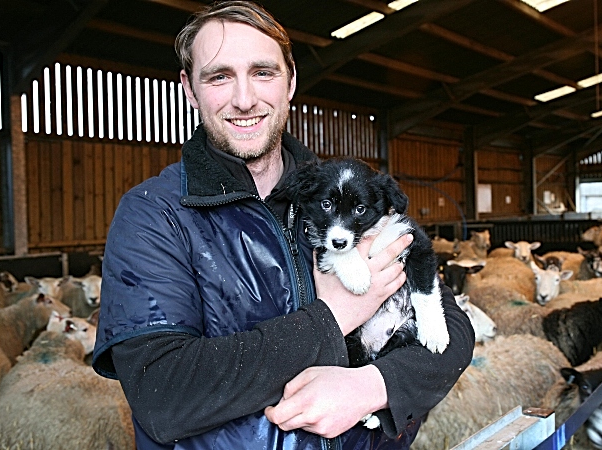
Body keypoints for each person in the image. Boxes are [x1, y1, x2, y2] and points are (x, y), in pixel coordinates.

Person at [92, 2, 475, 449]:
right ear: (190, 90)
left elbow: (452, 333)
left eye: (263, 72)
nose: (244, 98)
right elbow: (162, 395)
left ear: (291, 80)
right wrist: (329, 319)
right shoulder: (153, 215)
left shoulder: (347, 196)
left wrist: (374, 385)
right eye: (219, 76)